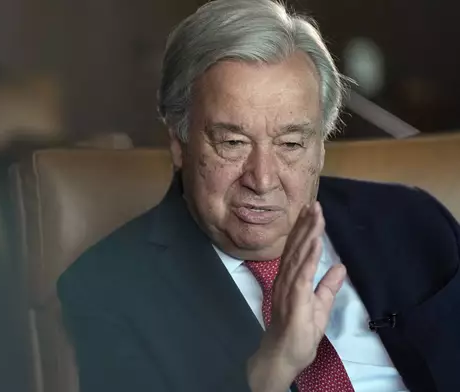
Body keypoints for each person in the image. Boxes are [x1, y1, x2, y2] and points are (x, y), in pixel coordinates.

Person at [58, 1, 460, 391]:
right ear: (179, 142)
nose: (263, 179)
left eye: (290, 144)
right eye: (232, 142)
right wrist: (275, 364)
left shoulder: (413, 220)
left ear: (320, 146)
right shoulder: (110, 289)